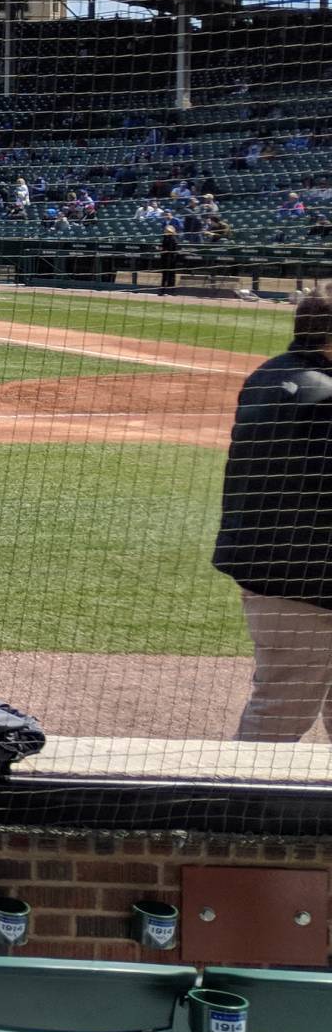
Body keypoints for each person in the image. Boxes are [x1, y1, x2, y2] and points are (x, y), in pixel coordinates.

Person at [212, 291, 332, 740]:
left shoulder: (272, 373)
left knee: (283, 699)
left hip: (275, 567)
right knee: (284, 706)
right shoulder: (322, 394)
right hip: (307, 578)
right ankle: (242, 806)